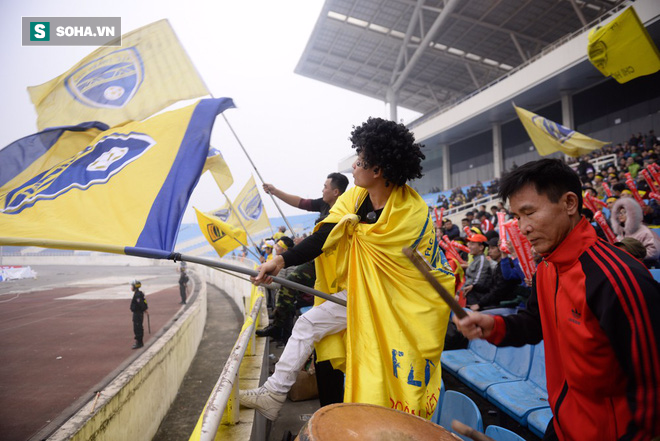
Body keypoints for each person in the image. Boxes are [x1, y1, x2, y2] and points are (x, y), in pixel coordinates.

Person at [241, 117, 455, 421]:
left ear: (377, 170)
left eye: (360, 160)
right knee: (311, 327)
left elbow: (412, 272)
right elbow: (323, 236)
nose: (354, 165)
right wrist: (279, 261)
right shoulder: (355, 199)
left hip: (396, 304)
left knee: (379, 370)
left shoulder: (410, 214)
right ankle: (275, 393)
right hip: (359, 295)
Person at [453, 158, 660, 441]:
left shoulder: (617, 279)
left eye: (529, 213)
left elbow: (653, 392)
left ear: (570, 203)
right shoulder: (547, 269)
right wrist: (493, 326)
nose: (522, 228)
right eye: (516, 216)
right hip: (563, 426)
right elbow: (535, 323)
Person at [611, 197, 660, 266]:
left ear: (633, 214)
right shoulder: (621, 232)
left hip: (644, 266)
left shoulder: (645, 231)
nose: (620, 215)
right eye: (619, 213)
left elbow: (654, 252)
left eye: (624, 212)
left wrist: (632, 257)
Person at [461, 233, 492, 306]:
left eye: (472, 244)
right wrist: (459, 292)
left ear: (481, 247)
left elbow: (478, 282)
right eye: (469, 244)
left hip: (476, 298)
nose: (469, 246)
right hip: (469, 295)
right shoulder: (475, 260)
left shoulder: (482, 260)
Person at [129, 280, 148, 349]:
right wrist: (145, 309)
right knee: (138, 327)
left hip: (137, 313)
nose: (131, 287)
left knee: (137, 328)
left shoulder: (137, 295)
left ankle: (139, 342)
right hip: (138, 313)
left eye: (132, 286)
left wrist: (144, 309)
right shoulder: (139, 293)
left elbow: (141, 304)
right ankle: (139, 342)